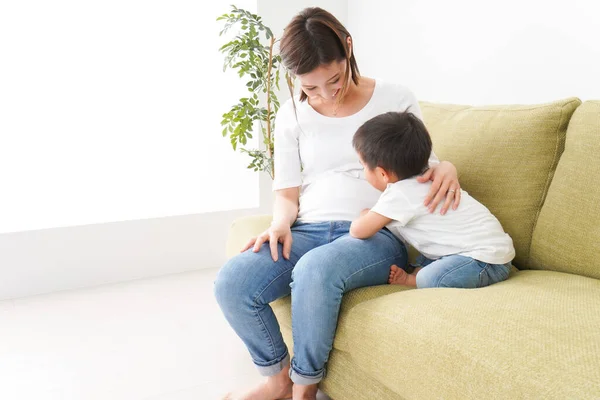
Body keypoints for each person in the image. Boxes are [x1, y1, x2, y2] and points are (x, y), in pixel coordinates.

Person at [214, 7, 461, 400]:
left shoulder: (395, 97)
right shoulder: (291, 112)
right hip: (308, 229)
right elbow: (287, 191)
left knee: (315, 270)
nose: (326, 95)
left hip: (374, 235)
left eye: (334, 79)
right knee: (233, 282)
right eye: (310, 88)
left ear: (348, 48)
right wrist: (280, 224)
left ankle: (304, 389)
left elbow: (422, 164)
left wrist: (446, 165)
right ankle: (275, 381)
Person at [350, 111, 515, 289]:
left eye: (363, 165)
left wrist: (365, 215)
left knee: (430, 278)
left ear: (383, 173)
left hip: (484, 261)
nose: (363, 170)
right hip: (486, 252)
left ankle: (413, 280)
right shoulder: (432, 176)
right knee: (428, 250)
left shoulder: (400, 194)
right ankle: (419, 271)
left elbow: (359, 231)